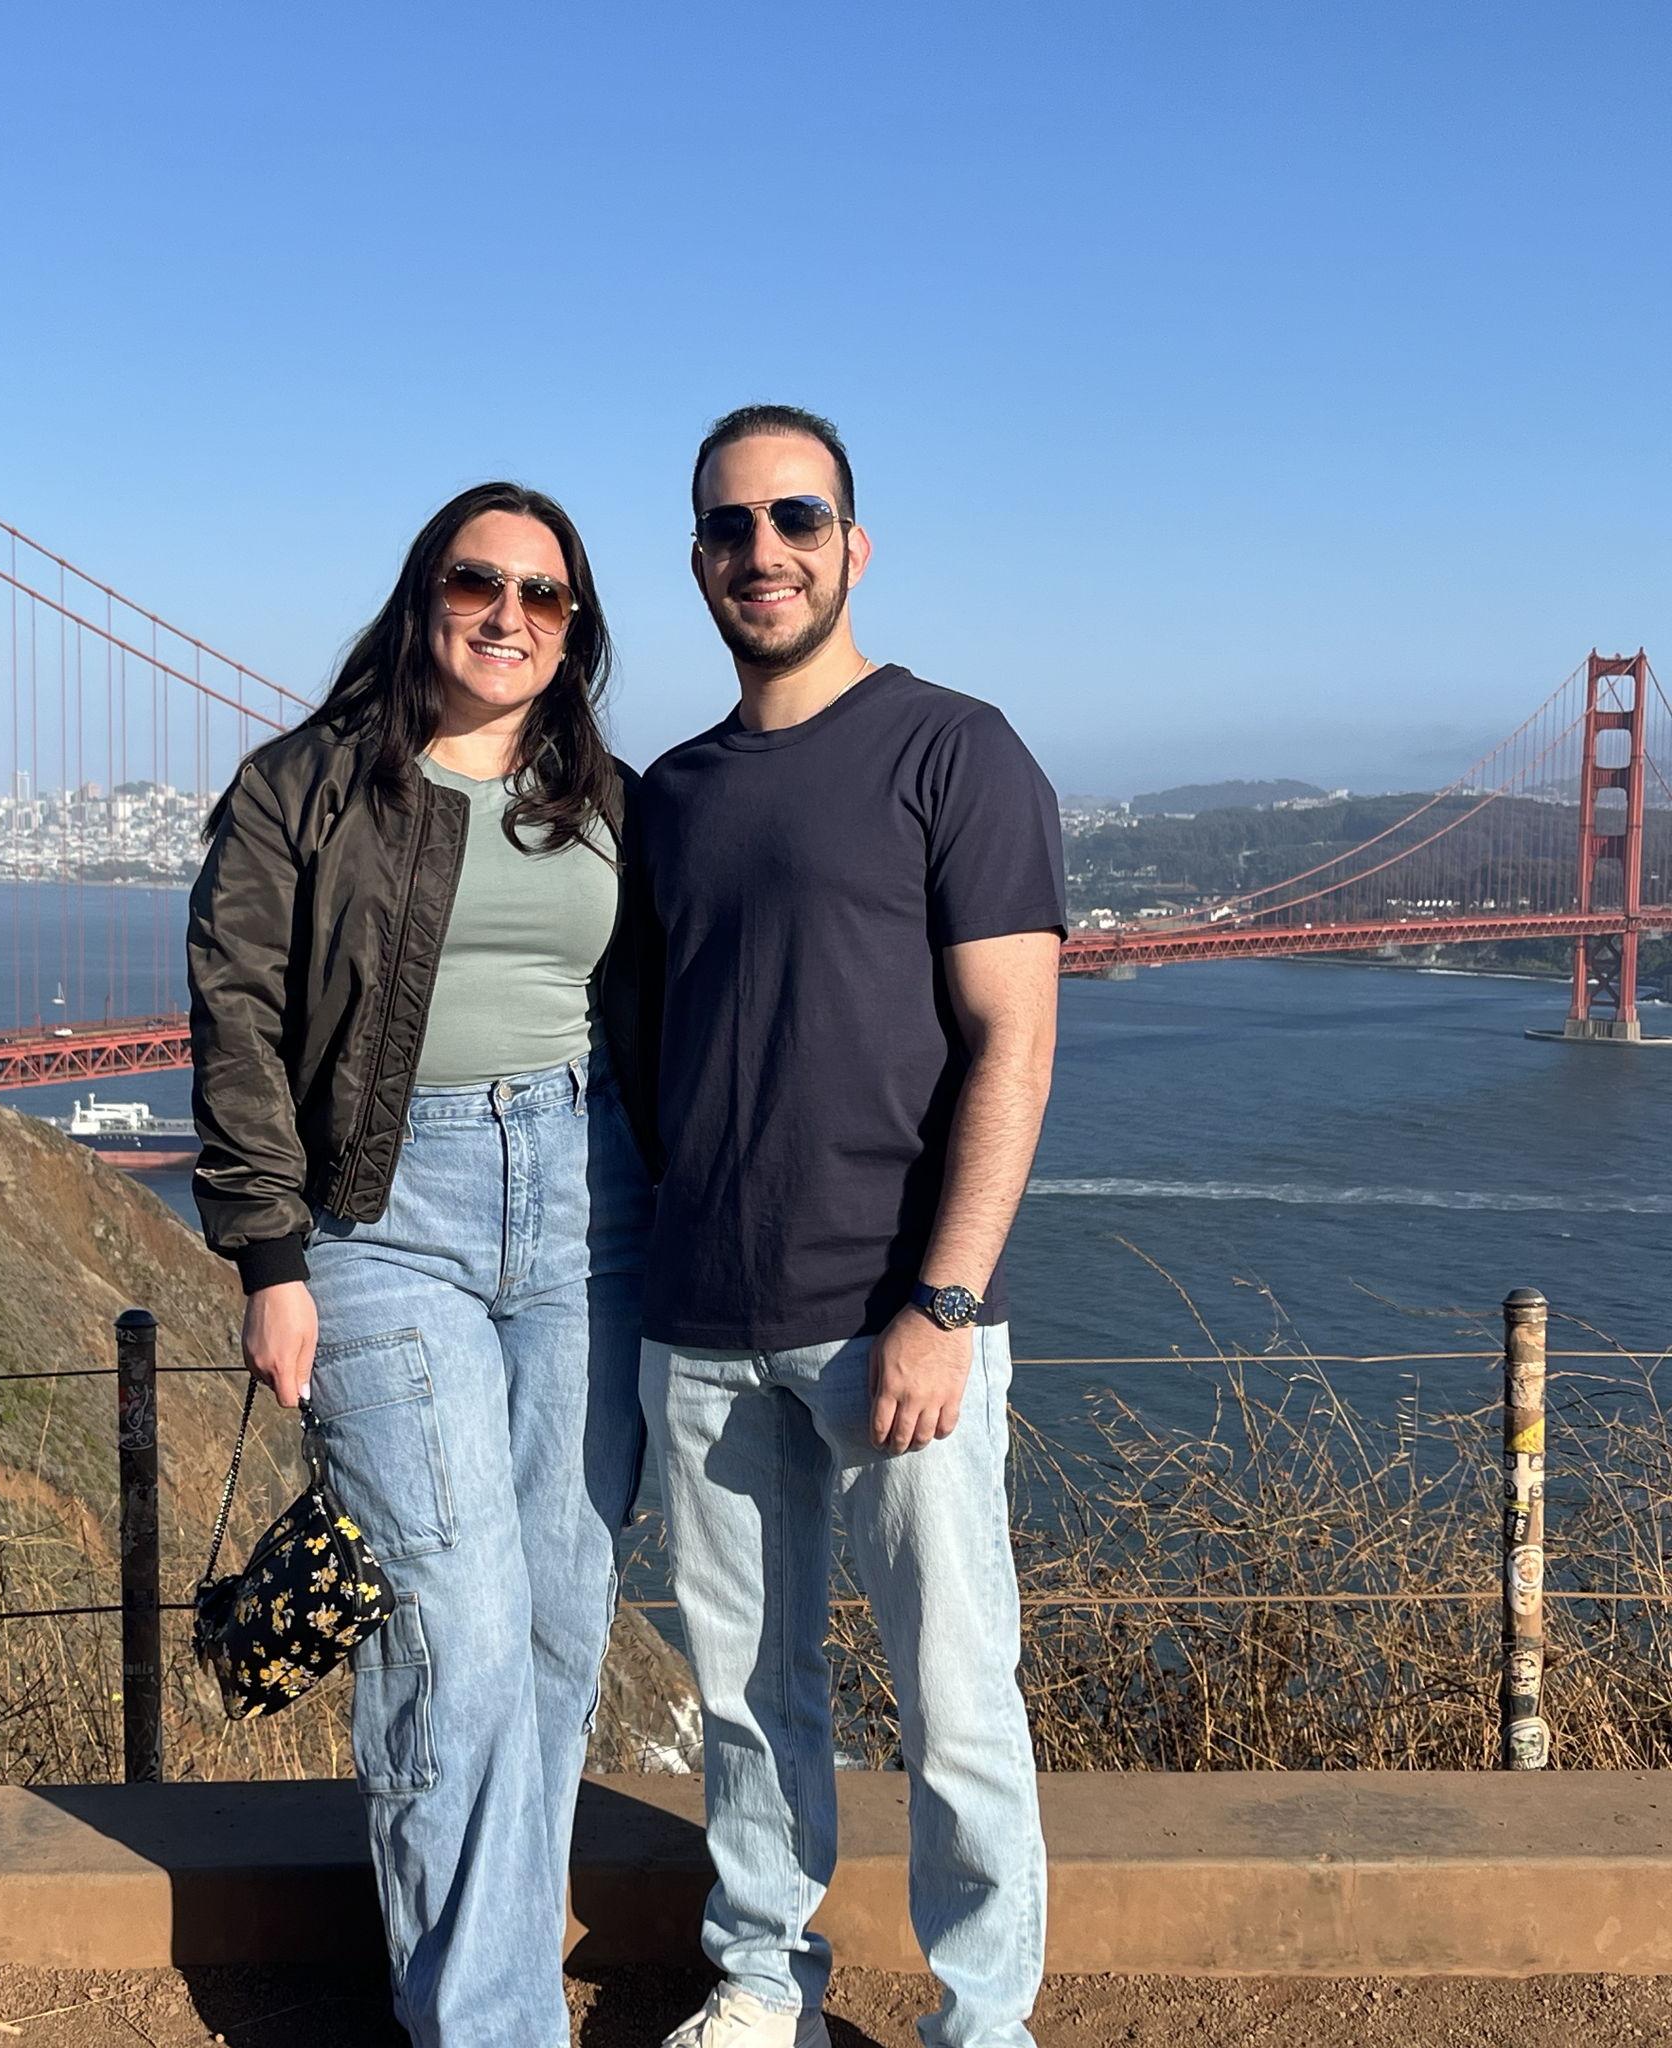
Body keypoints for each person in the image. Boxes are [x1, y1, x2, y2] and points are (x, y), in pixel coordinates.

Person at [186, 482, 658, 2048]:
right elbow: (239, 1017)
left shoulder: (611, 795)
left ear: (575, 626)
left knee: (557, 1617)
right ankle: (489, 2028)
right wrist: (269, 1251)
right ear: (423, 593)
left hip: (595, 1207)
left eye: (547, 593)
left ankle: (482, 1985)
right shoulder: (303, 789)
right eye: (479, 580)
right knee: (452, 1621)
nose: (509, 613)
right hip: (388, 1217)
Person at [638, 407, 1066, 2048]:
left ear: (851, 544)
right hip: (701, 1325)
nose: (763, 552)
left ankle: (983, 2017)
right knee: (749, 1705)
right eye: (730, 529)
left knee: (957, 1702)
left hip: (898, 1323)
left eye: (793, 519)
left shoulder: (957, 749)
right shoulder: (670, 796)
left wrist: (942, 1305)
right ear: (699, 561)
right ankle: (766, 1987)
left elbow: (1013, 1040)